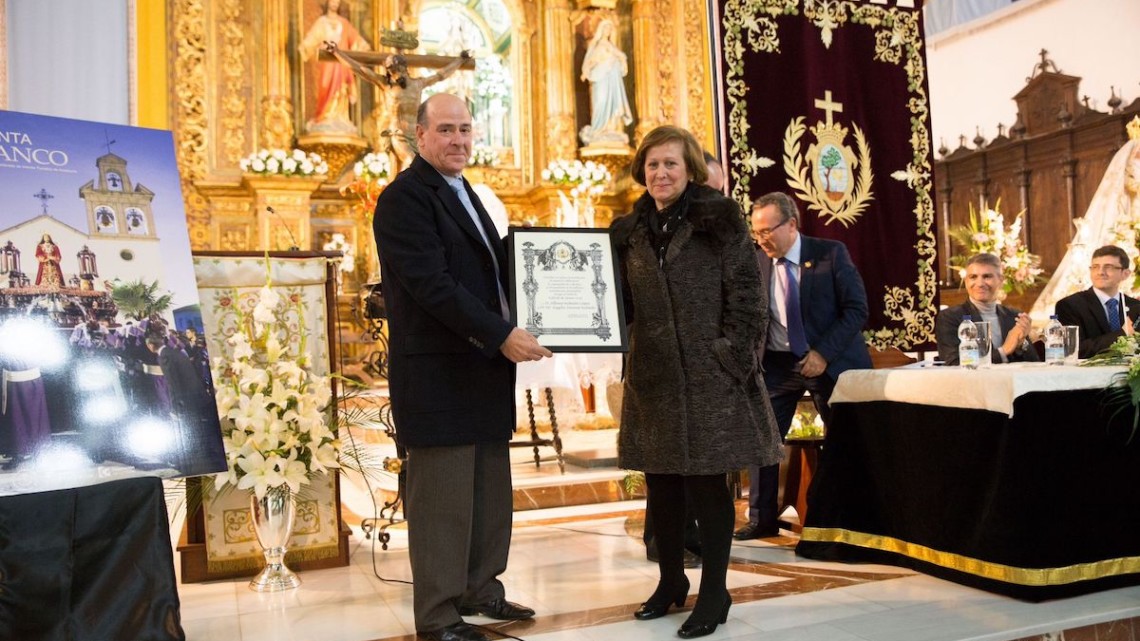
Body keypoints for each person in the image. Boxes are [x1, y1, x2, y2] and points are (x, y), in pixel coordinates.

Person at [373, 93, 551, 641]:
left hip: (478, 370)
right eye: (446, 130)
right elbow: (433, 287)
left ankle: (480, 588)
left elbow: (492, 267)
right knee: (444, 500)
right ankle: (439, 614)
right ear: (419, 136)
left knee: (488, 493)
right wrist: (500, 333)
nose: (458, 140)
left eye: (466, 129)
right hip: (439, 376)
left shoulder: (464, 191)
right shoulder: (404, 198)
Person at [610, 125, 783, 639]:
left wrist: (731, 356)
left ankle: (714, 591)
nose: (660, 173)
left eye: (671, 164)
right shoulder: (628, 230)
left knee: (708, 487)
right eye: (652, 165)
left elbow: (748, 295)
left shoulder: (720, 219)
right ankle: (669, 583)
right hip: (655, 374)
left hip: (712, 375)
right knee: (660, 485)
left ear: (690, 169)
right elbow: (617, 302)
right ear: (642, 171)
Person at [736, 192, 872, 541]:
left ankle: (848, 515)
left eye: (768, 231)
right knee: (763, 437)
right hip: (780, 364)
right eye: (757, 232)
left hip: (830, 360)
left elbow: (856, 309)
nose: (762, 239)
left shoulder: (830, 253)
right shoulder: (757, 260)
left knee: (846, 437)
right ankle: (762, 518)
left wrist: (823, 354)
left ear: (792, 225)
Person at [327, 42, 470, 172]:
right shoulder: (386, 85)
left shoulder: (418, 84)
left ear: (404, 68)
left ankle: (401, 198)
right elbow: (360, 69)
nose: (394, 73)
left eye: (396, 69)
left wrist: (460, 60)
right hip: (398, 132)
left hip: (417, 135)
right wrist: (337, 53)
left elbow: (441, 75)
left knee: (400, 170)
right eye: (390, 70)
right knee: (412, 163)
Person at [935, 253, 1040, 365]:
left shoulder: (1014, 316)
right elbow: (953, 363)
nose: (980, 283)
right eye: (973, 277)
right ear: (966, 281)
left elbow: (1034, 364)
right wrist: (1003, 351)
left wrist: (1021, 343)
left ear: (1001, 280)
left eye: (987, 276)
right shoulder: (950, 317)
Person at [1054, 245, 1140, 358]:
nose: (1100, 272)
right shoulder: (1069, 305)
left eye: (1108, 267)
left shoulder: (1136, 306)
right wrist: (1122, 335)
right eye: (1095, 267)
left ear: (1125, 274)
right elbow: (1073, 350)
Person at [299, 0, 370, 133]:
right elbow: (309, 43)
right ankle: (324, 117)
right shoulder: (321, 23)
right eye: (332, 0)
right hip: (326, 67)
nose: (334, 3)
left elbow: (358, 42)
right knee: (325, 89)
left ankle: (340, 117)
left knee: (342, 90)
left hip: (342, 67)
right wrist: (309, 48)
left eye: (337, 1)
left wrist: (362, 48)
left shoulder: (343, 23)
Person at [579, 19, 633, 146]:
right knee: (601, 101)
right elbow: (590, 61)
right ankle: (598, 128)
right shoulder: (596, 45)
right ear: (601, 30)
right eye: (605, 28)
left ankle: (610, 128)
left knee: (613, 103)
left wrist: (621, 62)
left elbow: (622, 57)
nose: (607, 31)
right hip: (600, 79)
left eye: (609, 29)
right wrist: (585, 72)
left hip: (612, 81)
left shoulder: (612, 46)